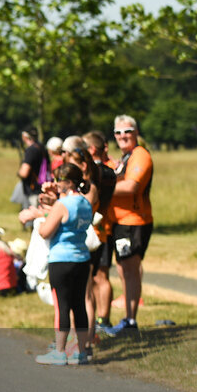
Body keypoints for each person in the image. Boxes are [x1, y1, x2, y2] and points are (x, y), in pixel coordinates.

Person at [34, 162, 93, 366]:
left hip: (61, 259)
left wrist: (41, 219)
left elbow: (46, 231)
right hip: (82, 258)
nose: (56, 184)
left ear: (68, 182)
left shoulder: (63, 204)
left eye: (59, 180)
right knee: (79, 305)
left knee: (62, 306)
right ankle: (82, 351)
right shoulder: (86, 203)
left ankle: (59, 352)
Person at [104, 115, 153, 337]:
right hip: (120, 221)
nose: (123, 136)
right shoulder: (125, 157)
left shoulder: (140, 155)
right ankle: (127, 317)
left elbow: (132, 186)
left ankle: (131, 320)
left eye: (127, 131)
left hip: (134, 221)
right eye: (118, 132)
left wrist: (100, 191)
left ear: (136, 132)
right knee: (124, 270)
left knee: (130, 270)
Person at [84, 130, 118, 331]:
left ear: (91, 149)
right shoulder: (102, 171)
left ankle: (103, 321)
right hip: (97, 231)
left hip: (100, 231)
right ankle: (95, 321)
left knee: (100, 277)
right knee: (93, 279)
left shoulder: (101, 172)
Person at [14, 126, 47, 210]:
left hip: (33, 190)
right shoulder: (42, 147)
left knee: (31, 219)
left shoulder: (31, 150)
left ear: (25, 136)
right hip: (43, 187)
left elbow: (24, 173)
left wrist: (18, 173)